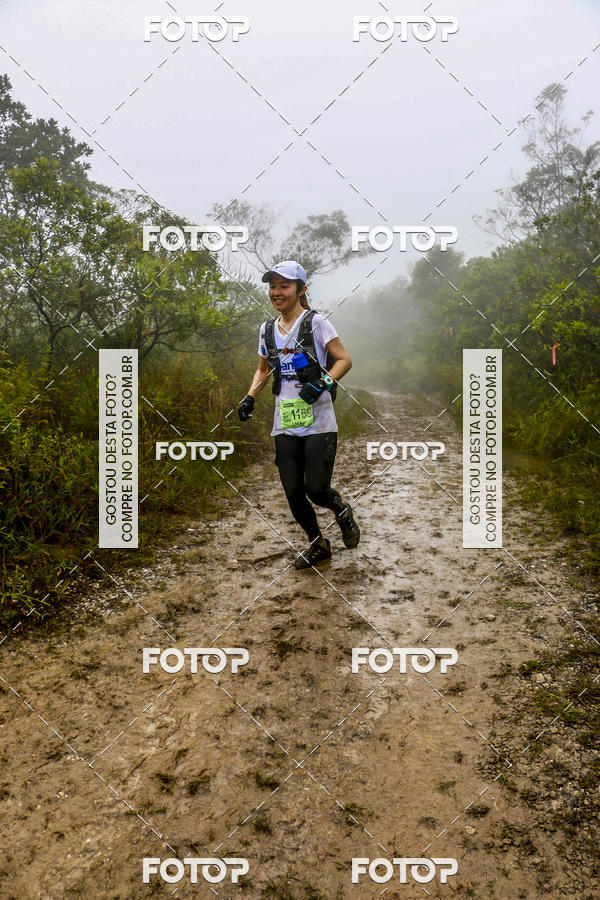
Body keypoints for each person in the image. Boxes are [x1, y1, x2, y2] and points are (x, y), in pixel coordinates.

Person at [238, 260, 360, 569]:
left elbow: (343, 360)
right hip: (285, 423)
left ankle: (341, 510)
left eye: (284, 286)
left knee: (316, 490)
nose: (276, 292)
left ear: (301, 289)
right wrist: (250, 397)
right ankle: (318, 544)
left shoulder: (316, 323)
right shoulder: (266, 330)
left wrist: (323, 382)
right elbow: (263, 369)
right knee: (293, 490)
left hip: (319, 420)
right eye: (272, 286)